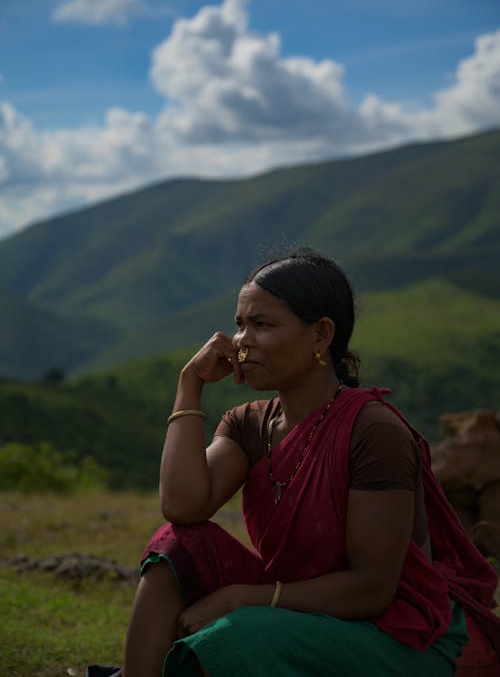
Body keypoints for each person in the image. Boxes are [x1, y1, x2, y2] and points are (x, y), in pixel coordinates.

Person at [88, 248, 500, 677]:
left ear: (321, 335)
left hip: (394, 632)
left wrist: (242, 597)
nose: (243, 342)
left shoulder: (373, 432)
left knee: (237, 634)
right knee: (176, 544)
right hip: (299, 610)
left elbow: (372, 590)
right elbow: (183, 507)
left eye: (262, 325)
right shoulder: (249, 425)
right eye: (240, 325)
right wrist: (188, 386)